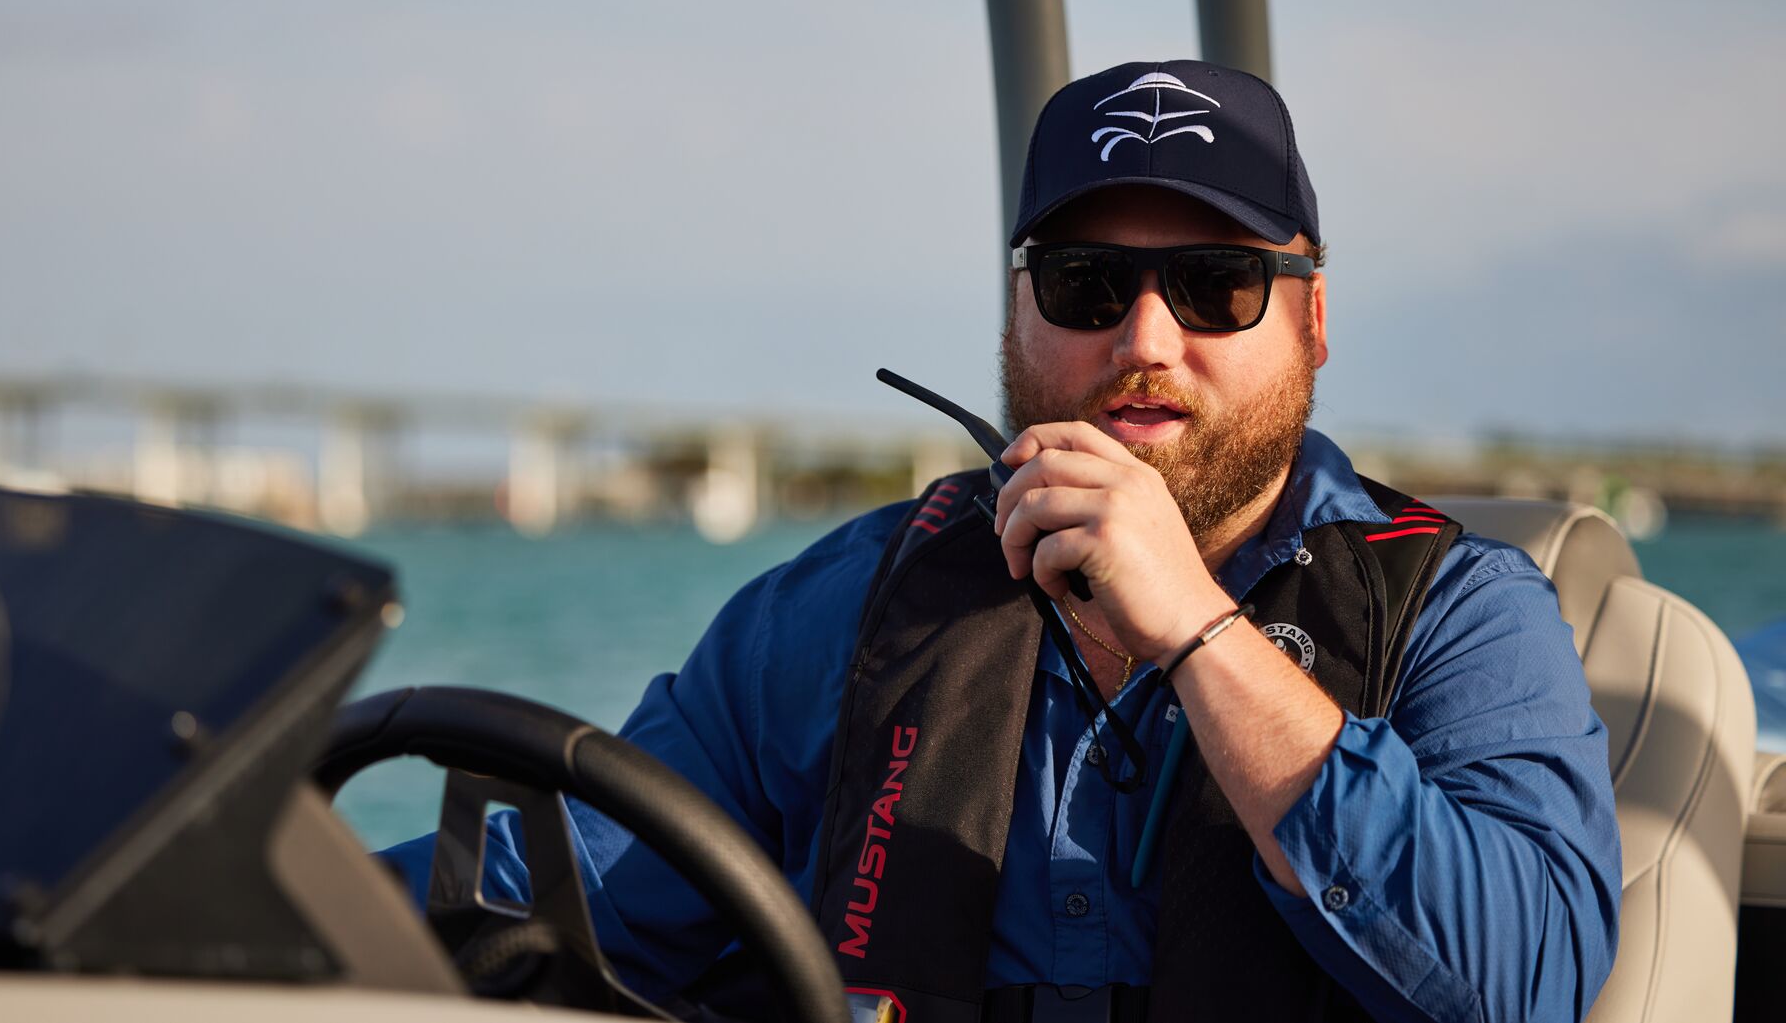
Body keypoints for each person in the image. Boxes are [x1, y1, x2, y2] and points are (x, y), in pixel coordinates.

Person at [384, 60, 1622, 1022]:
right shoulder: (842, 612)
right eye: (1089, 283)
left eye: (1217, 284)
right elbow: (570, 894)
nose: (1144, 340)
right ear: (1018, 311)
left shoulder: (1463, 614)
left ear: (1312, 320)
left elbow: (1523, 984)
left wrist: (1195, 627)